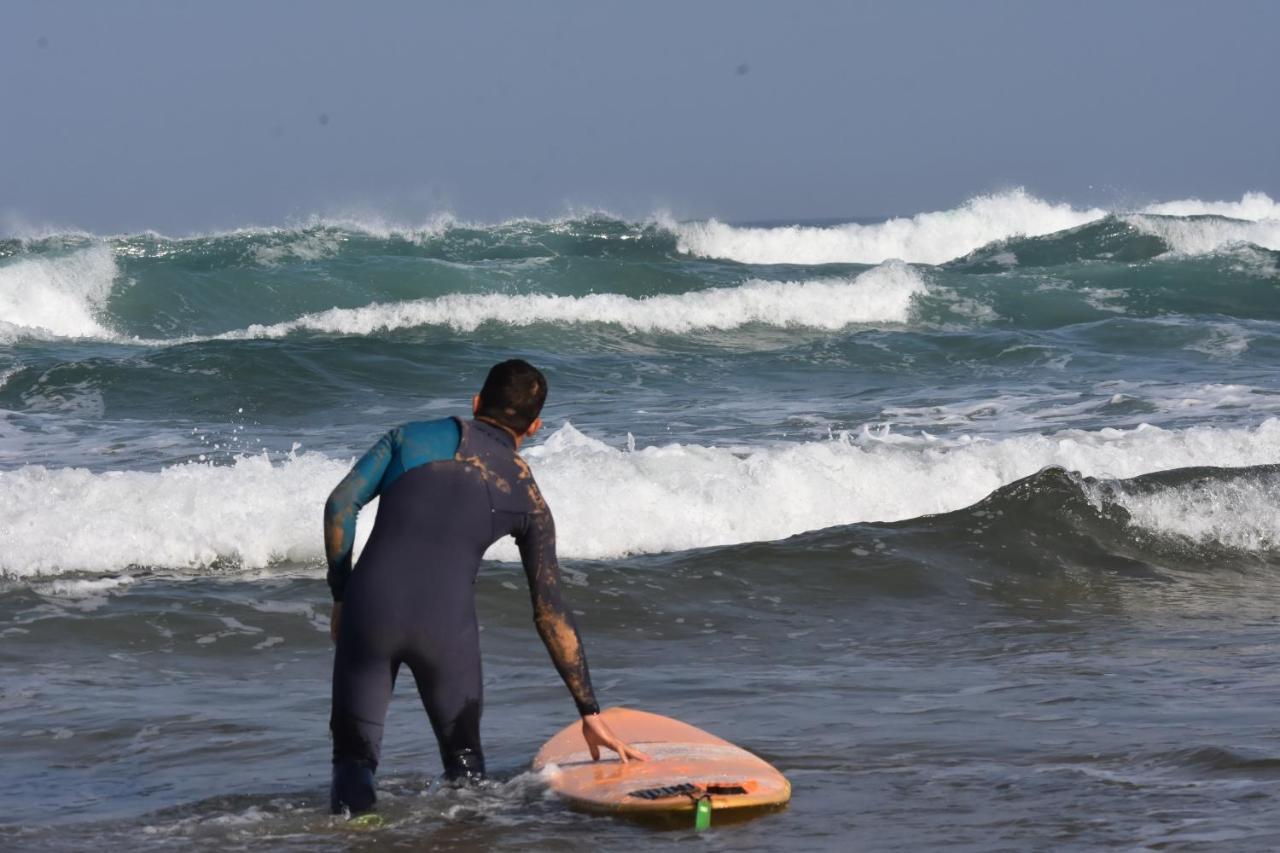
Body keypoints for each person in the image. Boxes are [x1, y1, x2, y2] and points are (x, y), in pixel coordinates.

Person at [324, 359, 646, 814]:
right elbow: (549, 609)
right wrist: (588, 710)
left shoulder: (408, 438)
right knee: (466, 769)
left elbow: (340, 506)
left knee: (353, 760)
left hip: (368, 613)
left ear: (476, 403)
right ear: (534, 426)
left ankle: (356, 835)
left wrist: (341, 594)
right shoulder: (525, 492)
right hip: (445, 632)